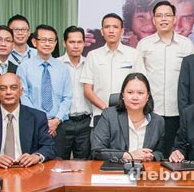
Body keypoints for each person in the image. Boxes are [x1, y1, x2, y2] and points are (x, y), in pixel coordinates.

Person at [135, 1, 194, 157]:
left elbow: (192, 80)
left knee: (176, 157)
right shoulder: (144, 45)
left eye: (167, 15)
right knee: (151, 155)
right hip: (151, 112)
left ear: (174, 19)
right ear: (153, 20)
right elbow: (138, 80)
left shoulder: (186, 45)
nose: (163, 19)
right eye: (159, 16)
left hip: (178, 113)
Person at [0, 73, 56, 169]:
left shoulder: (37, 117)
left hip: (28, 171)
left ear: (21, 91)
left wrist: (36, 156)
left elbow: (49, 147)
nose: (8, 92)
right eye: (3, 88)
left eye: (13, 88)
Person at [91, 73, 165, 162]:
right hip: (115, 170)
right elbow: (97, 151)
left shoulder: (158, 121)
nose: (135, 97)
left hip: (145, 170)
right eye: (130, 92)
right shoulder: (109, 116)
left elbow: (160, 152)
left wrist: (151, 156)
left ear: (148, 96)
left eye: (140, 93)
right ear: (122, 94)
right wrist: (128, 155)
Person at [16, 25, 72, 140]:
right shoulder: (24, 67)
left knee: (59, 158)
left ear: (56, 43)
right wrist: (41, 120)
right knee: (34, 158)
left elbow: (67, 97)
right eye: (43, 40)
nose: (47, 44)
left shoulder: (62, 68)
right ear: (34, 42)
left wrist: (56, 121)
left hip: (58, 125)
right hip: (33, 124)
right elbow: (23, 96)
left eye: (51, 40)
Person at [81, 13, 138, 126]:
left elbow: (139, 86)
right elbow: (87, 90)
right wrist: (106, 109)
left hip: (128, 115)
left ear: (122, 31)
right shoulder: (93, 55)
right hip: (101, 115)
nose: (111, 31)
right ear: (102, 31)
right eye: (107, 27)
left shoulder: (133, 54)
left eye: (115, 27)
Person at [57, 26, 93, 159]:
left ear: (84, 43)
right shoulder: (56, 64)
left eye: (79, 42)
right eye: (72, 42)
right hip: (63, 123)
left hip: (85, 123)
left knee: (84, 166)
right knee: (59, 163)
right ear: (64, 43)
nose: (76, 46)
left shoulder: (90, 63)